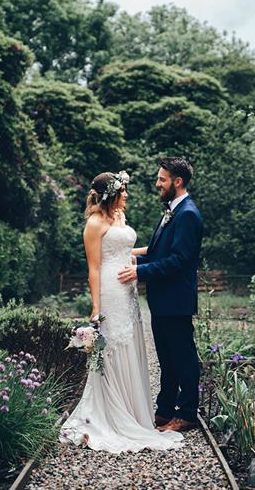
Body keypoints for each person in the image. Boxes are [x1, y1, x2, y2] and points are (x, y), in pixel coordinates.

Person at [58, 170, 185, 453]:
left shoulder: (119, 217)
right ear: (111, 194)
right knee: (113, 345)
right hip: (110, 292)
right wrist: (95, 307)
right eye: (123, 191)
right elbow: (94, 267)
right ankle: (110, 414)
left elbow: (124, 251)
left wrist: (152, 256)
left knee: (130, 342)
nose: (127, 195)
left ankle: (132, 410)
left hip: (128, 290)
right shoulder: (94, 223)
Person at [117, 157, 203, 433]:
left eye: (162, 179)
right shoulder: (172, 212)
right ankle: (165, 410)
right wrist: (131, 259)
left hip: (176, 300)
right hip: (163, 299)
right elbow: (158, 253)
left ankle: (187, 413)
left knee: (183, 357)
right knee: (166, 358)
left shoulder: (188, 214)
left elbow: (180, 261)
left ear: (177, 182)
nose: (157, 184)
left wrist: (139, 273)